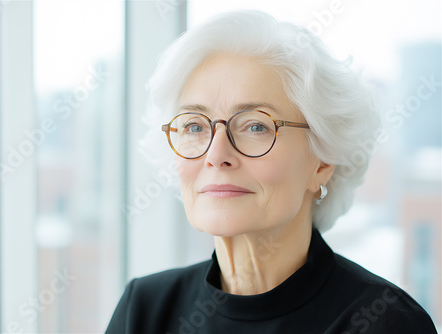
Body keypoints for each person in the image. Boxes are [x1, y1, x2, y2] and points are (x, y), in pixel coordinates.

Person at [105, 10, 437, 334]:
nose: (217, 155)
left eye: (255, 126)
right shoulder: (145, 309)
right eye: (194, 126)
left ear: (322, 161)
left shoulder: (383, 322)